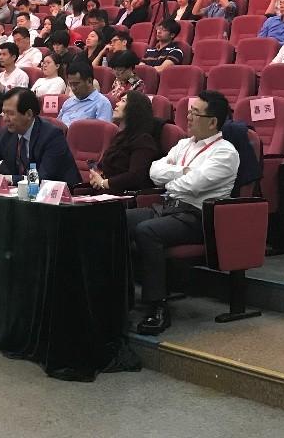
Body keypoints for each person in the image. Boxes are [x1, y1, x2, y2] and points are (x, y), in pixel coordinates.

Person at [126, 91, 240, 335]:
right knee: (117, 218)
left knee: (147, 231)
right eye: (189, 111)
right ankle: (121, 294)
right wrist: (183, 172)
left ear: (213, 122)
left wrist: (173, 177)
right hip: (169, 208)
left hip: (198, 217)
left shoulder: (225, 152)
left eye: (195, 113)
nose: (188, 117)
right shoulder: (184, 144)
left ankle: (157, 306)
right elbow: (154, 171)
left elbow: (192, 186)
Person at [89, 92, 160, 192]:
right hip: (106, 193)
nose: (117, 104)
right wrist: (97, 175)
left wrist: (103, 183)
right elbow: (104, 165)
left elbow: (135, 176)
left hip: (124, 196)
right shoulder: (120, 136)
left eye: (123, 101)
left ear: (134, 108)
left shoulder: (144, 140)